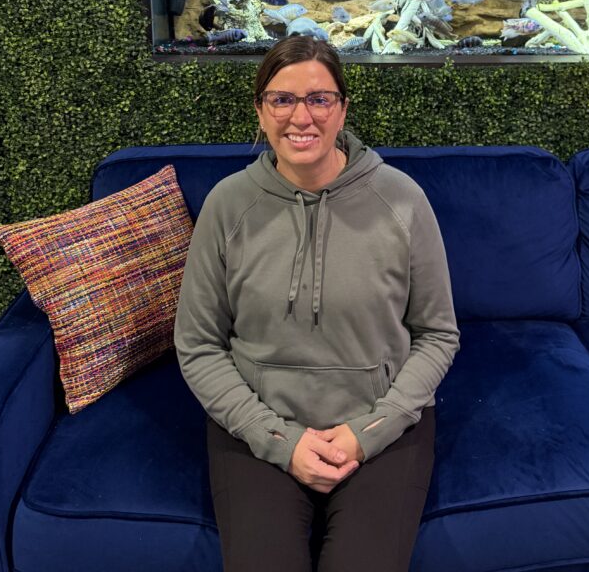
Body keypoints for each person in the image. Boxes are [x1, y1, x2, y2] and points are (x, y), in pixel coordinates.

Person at [174, 35, 460, 572]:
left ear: (343, 108)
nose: (300, 116)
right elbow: (197, 345)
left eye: (319, 98)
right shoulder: (227, 204)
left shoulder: (402, 200)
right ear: (260, 111)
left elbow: (438, 333)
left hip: (381, 426)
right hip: (258, 425)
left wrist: (370, 430)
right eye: (282, 99)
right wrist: (277, 439)